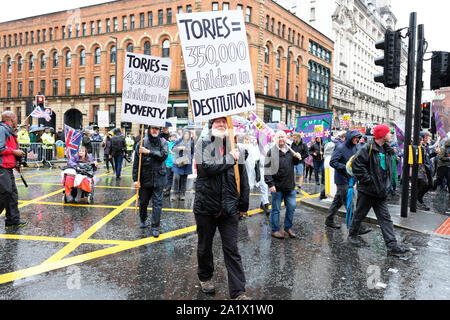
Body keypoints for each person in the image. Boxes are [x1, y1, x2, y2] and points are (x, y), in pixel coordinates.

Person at [193, 116, 250, 300]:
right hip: (205, 208)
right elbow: (206, 169)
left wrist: (243, 205)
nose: (221, 124)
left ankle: (238, 292)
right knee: (204, 246)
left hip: (229, 208)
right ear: (211, 125)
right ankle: (205, 277)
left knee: (232, 249)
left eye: (224, 122)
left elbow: (243, 177)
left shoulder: (236, 147)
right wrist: (229, 158)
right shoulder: (202, 144)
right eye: (217, 121)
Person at [348, 124, 410, 257]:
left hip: (381, 192)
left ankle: (392, 246)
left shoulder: (387, 149)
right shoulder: (367, 148)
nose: (391, 135)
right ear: (382, 135)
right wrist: (368, 180)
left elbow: (387, 170)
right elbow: (356, 165)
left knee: (385, 219)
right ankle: (352, 234)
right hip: (368, 191)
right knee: (359, 214)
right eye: (389, 133)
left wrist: (389, 185)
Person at [264, 130, 302, 239]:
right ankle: (275, 230)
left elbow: (295, 162)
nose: (281, 139)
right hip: (277, 187)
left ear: (286, 138)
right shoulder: (271, 152)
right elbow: (267, 170)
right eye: (279, 137)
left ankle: (287, 227)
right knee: (276, 209)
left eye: (283, 137)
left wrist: (297, 157)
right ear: (276, 139)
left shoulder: (290, 151)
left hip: (290, 186)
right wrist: (270, 184)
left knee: (291, 207)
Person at [325, 130, 366, 229]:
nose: (358, 139)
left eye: (358, 137)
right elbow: (333, 162)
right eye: (356, 137)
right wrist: (346, 167)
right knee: (349, 203)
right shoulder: (340, 148)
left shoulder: (356, 147)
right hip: (342, 180)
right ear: (350, 137)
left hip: (350, 179)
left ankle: (329, 220)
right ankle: (357, 227)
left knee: (337, 202)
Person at [133, 125, 168, 237]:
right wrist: (135, 180)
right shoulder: (141, 142)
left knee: (157, 203)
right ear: (149, 129)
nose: (155, 130)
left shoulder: (163, 142)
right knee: (143, 202)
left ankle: (155, 227)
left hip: (159, 178)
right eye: (153, 128)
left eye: (157, 129)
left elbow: (163, 156)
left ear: (159, 130)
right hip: (144, 179)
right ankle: (143, 218)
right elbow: (135, 163)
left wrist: (149, 152)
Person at [0, 111, 27, 229]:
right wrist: (14, 152)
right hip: (1, 167)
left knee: (12, 195)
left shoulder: (10, 131)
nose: (17, 120)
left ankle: (12, 221)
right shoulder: (1, 129)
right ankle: (12, 220)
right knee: (6, 191)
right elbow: (0, 148)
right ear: (10, 119)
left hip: (8, 167)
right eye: (16, 117)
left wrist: (16, 163)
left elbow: (10, 147)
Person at [171, 129, 194, 201]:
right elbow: (173, 149)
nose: (186, 135)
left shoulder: (191, 142)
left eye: (188, 134)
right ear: (183, 134)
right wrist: (179, 148)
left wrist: (189, 156)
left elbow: (192, 152)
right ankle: (175, 193)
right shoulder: (179, 140)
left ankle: (182, 194)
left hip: (186, 162)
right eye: (185, 134)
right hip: (178, 162)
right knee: (176, 178)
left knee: (184, 179)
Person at [164, 133, 177, 197]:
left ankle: (176, 192)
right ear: (170, 138)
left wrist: (172, 153)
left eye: (174, 137)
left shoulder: (177, 144)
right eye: (172, 136)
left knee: (177, 178)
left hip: (175, 164)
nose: (173, 138)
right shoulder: (168, 144)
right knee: (168, 177)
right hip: (168, 163)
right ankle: (167, 190)